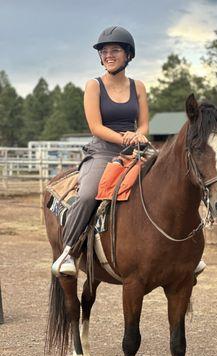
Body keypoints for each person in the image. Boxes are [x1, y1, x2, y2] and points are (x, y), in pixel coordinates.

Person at [52, 26, 149, 276]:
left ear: (128, 54)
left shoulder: (138, 86)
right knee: (87, 195)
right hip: (103, 151)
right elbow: (95, 126)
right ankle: (68, 252)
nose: (108, 55)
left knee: (175, 178)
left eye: (115, 50)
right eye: (104, 51)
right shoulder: (93, 86)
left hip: (136, 148)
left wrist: (139, 134)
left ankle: (187, 253)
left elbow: (145, 123)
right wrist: (124, 138)